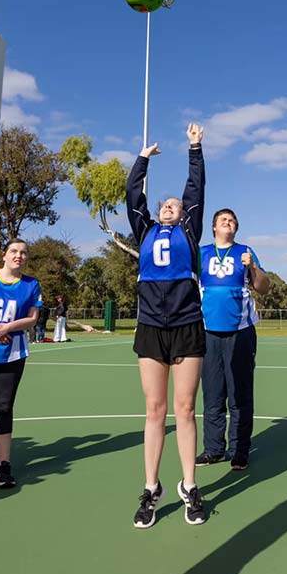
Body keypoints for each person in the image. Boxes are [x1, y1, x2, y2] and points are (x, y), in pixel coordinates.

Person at [126, 123, 207, 528]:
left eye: (175, 205)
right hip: (151, 326)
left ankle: (189, 485)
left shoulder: (189, 231)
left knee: (186, 408)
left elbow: (195, 189)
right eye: (166, 205)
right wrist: (142, 160)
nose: (171, 207)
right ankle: (151, 486)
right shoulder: (144, 230)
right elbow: (132, 195)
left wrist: (195, 148)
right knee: (155, 409)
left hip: (188, 323)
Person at [196, 208, 269, 470]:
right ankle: (213, 449)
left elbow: (263, 286)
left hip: (241, 331)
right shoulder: (201, 253)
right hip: (208, 331)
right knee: (213, 393)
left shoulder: (245, 252)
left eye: (232, 220)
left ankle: (240, 450)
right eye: (223, 220)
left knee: (239, 394)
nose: (228, 223)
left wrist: (253, 268)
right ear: (214, 227)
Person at [0, 239, 42, 489]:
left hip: (13, 353)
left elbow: (33, 318)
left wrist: (9, 327)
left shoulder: (31, 285)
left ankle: (3, 466)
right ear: (3, 255)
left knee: (4, 407)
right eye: (14, 251)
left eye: (24, 253)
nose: (19, 256)